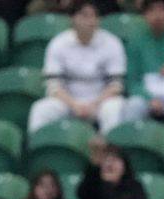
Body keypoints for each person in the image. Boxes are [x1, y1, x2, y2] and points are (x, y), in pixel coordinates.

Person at [27, 0, 126, 134]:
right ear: (72, 19)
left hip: (100, 100)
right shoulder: (58, 43)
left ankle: (109, 152)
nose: (90, 21)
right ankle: (40, 151)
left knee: (115, 107)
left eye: (94, 16)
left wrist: (94, 104)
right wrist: (74, 105)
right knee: (41, 109)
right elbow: (53, 85)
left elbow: (115, 85)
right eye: (84, 16)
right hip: (68, 100)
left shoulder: (112, 43)